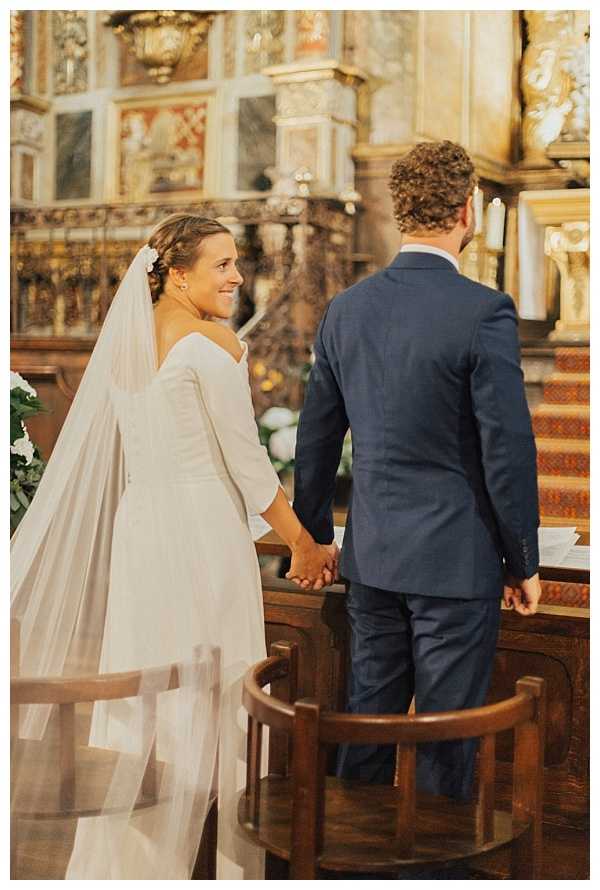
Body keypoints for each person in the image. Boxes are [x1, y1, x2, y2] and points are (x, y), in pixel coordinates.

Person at [10, 213, 337, 879]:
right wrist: (303, 543)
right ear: (180, 274)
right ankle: (222, 863)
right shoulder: (212, 344)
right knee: (216, 689)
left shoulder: (126, 344)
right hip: (201, 533)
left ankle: (130, 863)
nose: (237, 277)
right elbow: (249, 467)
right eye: (221, 265)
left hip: (143, 528)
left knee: (144, 689)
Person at [292, 141, 541, 841]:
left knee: (365, 724)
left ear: (400, 211)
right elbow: (507, 449)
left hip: (371, 557)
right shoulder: (483, 310)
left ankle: (343, 857)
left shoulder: (348, 309)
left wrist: (317, 537)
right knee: (444, 737)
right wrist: (522, 559)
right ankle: (434, 870)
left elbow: (316, 439)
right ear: (468, 212)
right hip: (456, 563)